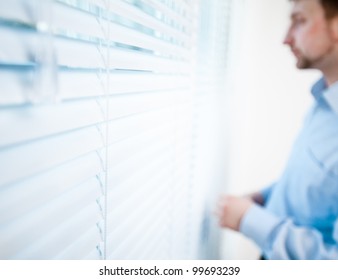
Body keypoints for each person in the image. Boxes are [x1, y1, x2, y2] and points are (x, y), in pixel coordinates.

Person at [217, 0, 338, 260]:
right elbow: (317, 183)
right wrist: (265, 196)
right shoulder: (325, 100)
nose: (286, 38)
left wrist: (249, 220)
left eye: (299, 20)